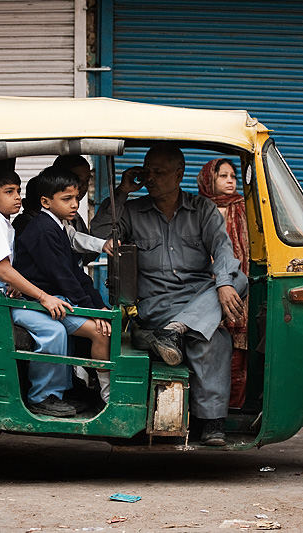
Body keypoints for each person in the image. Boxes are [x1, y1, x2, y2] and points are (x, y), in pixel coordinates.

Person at [91, 144, 248, 446]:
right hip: (158, 307)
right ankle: (211, 421)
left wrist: (225, 283)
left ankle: (178, 332)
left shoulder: (202, 210)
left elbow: (223, 248)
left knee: (237, 279)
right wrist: (122, 192)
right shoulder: (133, 212)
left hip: (197, 300)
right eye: (147, 172)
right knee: (211, 336)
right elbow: (97, 233)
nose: (150, 178)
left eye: (159, 173)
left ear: (179, 175)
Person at [0, 161, 80, 418]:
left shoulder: (4, 222)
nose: (18, 197)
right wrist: (43, 297)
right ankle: (42, 396)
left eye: (18, 190)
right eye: (9, 192)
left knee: (61, 317)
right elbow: (2, 271)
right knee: (53, 329)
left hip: (9, 292)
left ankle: (61, 391)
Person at [14, 166, 114, 403]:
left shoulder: (57, 227)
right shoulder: (43, 230)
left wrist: (98, 306)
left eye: (76, 198)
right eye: (66, 199)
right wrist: (91, 309)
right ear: (46, 202)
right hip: (36, 301)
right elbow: (63, 277)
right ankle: (108, 397)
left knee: (104, 325)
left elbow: (75, 274)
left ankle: (68, 389)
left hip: (58, 299)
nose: (74, 205)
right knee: (100, 334)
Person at [197, 158, 250, 408]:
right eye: (223, 176)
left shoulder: (243, 207)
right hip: (201, 286)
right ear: (209, 179)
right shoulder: (197, 209)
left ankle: (232, 409)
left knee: (237, 352)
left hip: (235, 284)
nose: (230, 181)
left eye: (233, 176)